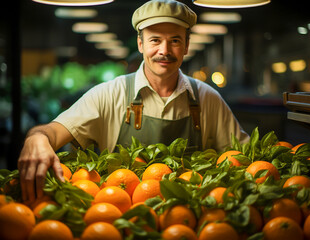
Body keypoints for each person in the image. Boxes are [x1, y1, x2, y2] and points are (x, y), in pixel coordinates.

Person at [18, 0, 249, 203]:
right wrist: (37, 138)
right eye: (155, 40)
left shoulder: (207, 99)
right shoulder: (109, 93)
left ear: (186, 46)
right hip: (117, 220)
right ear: (141, 45)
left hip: (187, 223)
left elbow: (244, 159)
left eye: (175, 41)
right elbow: (52, 132)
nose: (164, 50)